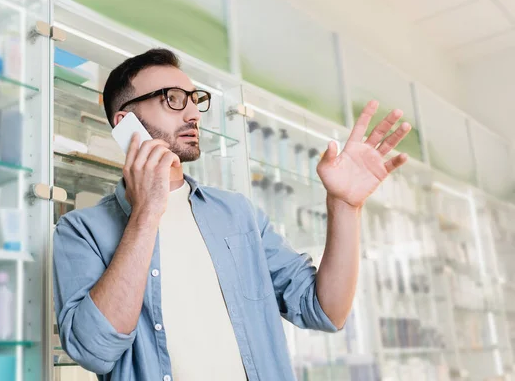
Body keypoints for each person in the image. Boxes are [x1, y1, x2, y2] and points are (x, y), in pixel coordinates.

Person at [52, 48, 411, 381]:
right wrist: (146, 212)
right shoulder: (81, 230)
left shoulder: (238, 213)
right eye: (173, 99)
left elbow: (326, 310)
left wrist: (345, 206)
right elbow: (93, 350)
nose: (193, 114)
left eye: (195, 100)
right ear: (125, 122)